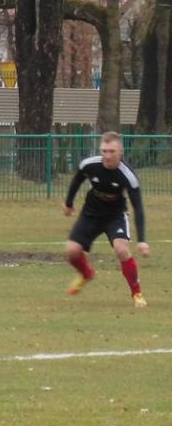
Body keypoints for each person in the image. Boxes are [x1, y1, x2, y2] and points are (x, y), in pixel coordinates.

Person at [63, 131, 150, 307]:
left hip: (115, 216)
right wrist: (69, 203)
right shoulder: (89, 165)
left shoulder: (128, 176)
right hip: (91, 213)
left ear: (120, 152)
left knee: (121, 250)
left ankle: (137, 293)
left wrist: (141, 240)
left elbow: (137, 206)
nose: (107, 156)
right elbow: (76, 180)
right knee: (71, 251)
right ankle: (86, 274)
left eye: (112, 151)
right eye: (104, 151)